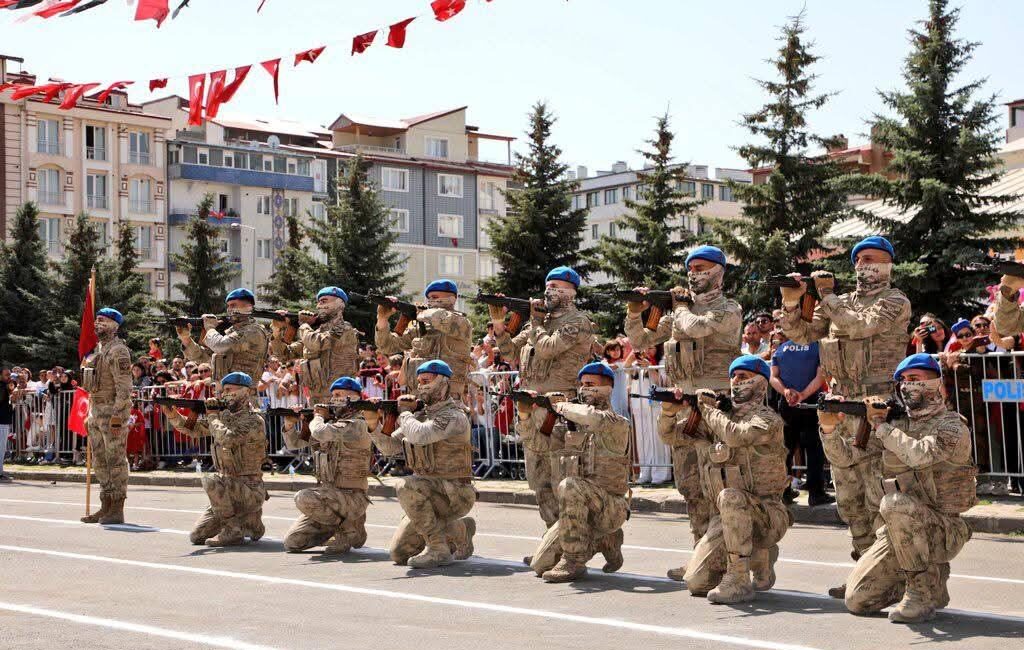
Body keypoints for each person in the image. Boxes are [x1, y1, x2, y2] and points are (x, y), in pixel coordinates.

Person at [778, 235, 911, 598]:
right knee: (850, 498)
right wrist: (793, 301)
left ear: (888, 264)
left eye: (874, 258)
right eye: (861, 258)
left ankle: (893, 575)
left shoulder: (895, 300)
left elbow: (860, 326)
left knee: (877, 496)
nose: (866, 264)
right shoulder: (840, 302)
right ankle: (866, 571)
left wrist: (827, 297)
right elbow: (802, 333)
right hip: (841, 402)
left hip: (878, 405)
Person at [624, 245, 742, 581]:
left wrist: (679, 307)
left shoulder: (728, 308)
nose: (695, 274)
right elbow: (640, 341)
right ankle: (700, 554)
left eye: (703, 267)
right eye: (691, 268)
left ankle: (734, 561)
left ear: (719, 271)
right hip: (683, 407)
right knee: (690, 486)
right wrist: (636, 311)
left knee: (719, 485)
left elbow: (698, 328)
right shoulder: (677, 312)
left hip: (716, 405)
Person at [837, 354, 976, 623]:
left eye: (915, 379)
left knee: (893, 503)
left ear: (935, 383)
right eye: (902, 380)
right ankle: (924, 581)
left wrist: (881, 425)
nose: (906, 385)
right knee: (857, 600)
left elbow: (920, 455)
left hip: (943, 528)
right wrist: (829, 429)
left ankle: (921, 592)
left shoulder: (952, 426)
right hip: (898, 531)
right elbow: (848, 458)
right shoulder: (895, 425)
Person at [491, 266, 596, 539]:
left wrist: (536, 324)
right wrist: (500, 324)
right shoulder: (538, 324)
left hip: (560, 409)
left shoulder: (578, 321)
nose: (550, 292)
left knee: (560, 478)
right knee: (538, 481)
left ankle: (573, 541)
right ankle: (553, 539)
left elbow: (549, 349)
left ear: (571, 292)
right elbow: (510, 351)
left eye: (558, 286)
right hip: (532, 407)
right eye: (548, 286)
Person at [682, 355, 792, 603]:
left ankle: (739, 578)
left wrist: (709, 410)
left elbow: (737, 436)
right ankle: (756, 556)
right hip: (728, 517)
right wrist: (670, 412)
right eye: (733, 376)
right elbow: (675, 436)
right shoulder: (719, 417)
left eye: (743, 376)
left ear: (762, 385)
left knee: (729, 496)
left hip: (767, 513)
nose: (735, 381)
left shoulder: (767, 419)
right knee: (695, 582)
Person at [366, 360, 477, 569]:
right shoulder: (419, 416)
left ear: (443, 382)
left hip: (455, 493)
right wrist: (373, 425)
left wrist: (405, 412)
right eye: (419, 381)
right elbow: (390, 447)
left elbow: (420, 435)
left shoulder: (454, 416)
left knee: (405, 485)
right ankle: (458, 530)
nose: (421, 386)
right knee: (399, 554)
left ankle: (438, 548)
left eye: (427, 380)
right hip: (427, 491)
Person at [528, 362, 630, 583]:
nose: (584, 390)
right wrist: (526, 416)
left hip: (609, 507)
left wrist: (561, 406)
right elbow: (538, 446)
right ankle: (603, 541)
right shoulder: (571, 425)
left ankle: (574, 559)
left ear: (608, 388)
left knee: (570, 485)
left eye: (590, 385)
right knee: (539, 565)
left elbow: (592, 417)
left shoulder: (616, 422)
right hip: (577, 511)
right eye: (582, 385)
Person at [159, 372, 268, 546]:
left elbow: (228, 439)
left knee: (210, 481)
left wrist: (212, 416)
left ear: (245, 392)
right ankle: (249, 520)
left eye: (229, 389)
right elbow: (193, 429)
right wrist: (172, 415)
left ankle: (234, 529)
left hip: (249, 487)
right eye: (223, 390)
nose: (225, 394)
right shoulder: (222, 417)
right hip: (226, 486)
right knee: (197, 536)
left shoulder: (254, 420)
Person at [282, 376, 371, 555]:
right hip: (328, 496)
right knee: (293, 542)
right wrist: (290, 425)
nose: (333, 399)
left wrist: (317, 417)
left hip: (352, 497)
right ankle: (340, 527)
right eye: (332, 395)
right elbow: (295, 445)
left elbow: (321, 432)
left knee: (303, 497)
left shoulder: (358, 424)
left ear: (353, 396)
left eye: (338, 394)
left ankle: (349, 529)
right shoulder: (328, 424)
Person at [79, 308, 134, 524]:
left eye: (103, 321)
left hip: (112, 412)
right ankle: (105, 505)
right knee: (100, 461)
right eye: (97, 320)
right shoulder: (98, 350)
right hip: (96, 411)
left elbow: (124, 387)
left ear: (115, 325)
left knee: (116, 460)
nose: (97, 324)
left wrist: (118, 416)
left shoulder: (118, 350)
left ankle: (117, 508)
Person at [376, 279, 473, 398]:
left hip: (448, 399)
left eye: (435, 297)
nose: (431, 301)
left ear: (452, 298)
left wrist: (420, 313)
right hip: (417, 398)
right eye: (429, 298)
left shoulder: (462, 323)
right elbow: (387, 346)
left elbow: (440, 317)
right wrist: (382, 319)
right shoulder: (421, 325)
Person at [769, 331, 834, 506]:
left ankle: (783, 492)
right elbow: (821, 376)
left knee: (786, 449)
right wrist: (803, 395)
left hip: (788, 402)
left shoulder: (781, 349)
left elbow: (773, 376)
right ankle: (816, 493)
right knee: (814, 448)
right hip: (810, 401)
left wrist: (786, 392)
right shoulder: (817, 347)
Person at [271, 286, 359, 407]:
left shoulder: (344, 329)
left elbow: (317, 343)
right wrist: (277, 331)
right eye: (318, 302)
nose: (318, 306)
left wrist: (304, 324)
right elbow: (284, 355)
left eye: (324, 301)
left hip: (339, 399)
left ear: (340, 305)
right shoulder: (315, 332)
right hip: (315, 400)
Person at [181, 288, 269, 386]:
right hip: (224, 393)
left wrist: (210, 328)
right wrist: (186, 338)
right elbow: (203, 357)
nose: (229, 309)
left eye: (233, 305)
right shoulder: (233, 332)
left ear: (248, 306)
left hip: (244, 394)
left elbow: (219, 346)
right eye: (228, 306)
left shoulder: (253, 331)